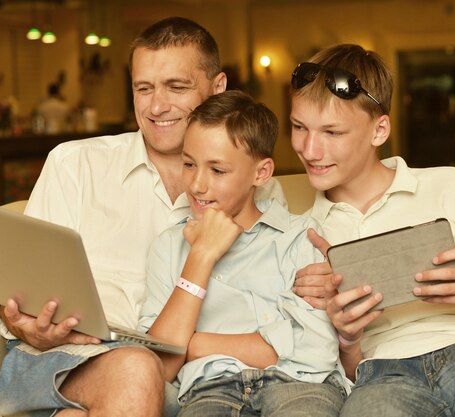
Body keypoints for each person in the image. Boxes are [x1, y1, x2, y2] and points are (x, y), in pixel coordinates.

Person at [0, 17, 284, 417]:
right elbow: (15, 287)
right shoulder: (76, 164)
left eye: (176, 87)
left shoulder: (253, 185)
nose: (156, 106)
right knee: (136, 366)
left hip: (183, 375)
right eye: (143, 89)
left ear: (217, 88)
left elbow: (280, 296)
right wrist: (27, 325)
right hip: (57, 358)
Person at [289, 43, 455, 416]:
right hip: (383, 372)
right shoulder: (300, 231)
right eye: (299, 127)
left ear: (379, 130)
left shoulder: (452, 186)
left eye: (332, 132)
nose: (310, 149)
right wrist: (346, 337)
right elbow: (333, 372)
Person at [139, 90, 349, 417]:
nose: (196, 185)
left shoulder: (300, 237)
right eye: (189, 164)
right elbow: (160, 363)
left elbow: (316, 350)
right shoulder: (169, 246)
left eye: (217, 171)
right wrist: (201, 257)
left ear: (261, 173)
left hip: (302, 384)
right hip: (211, 390)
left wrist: (194, 343)